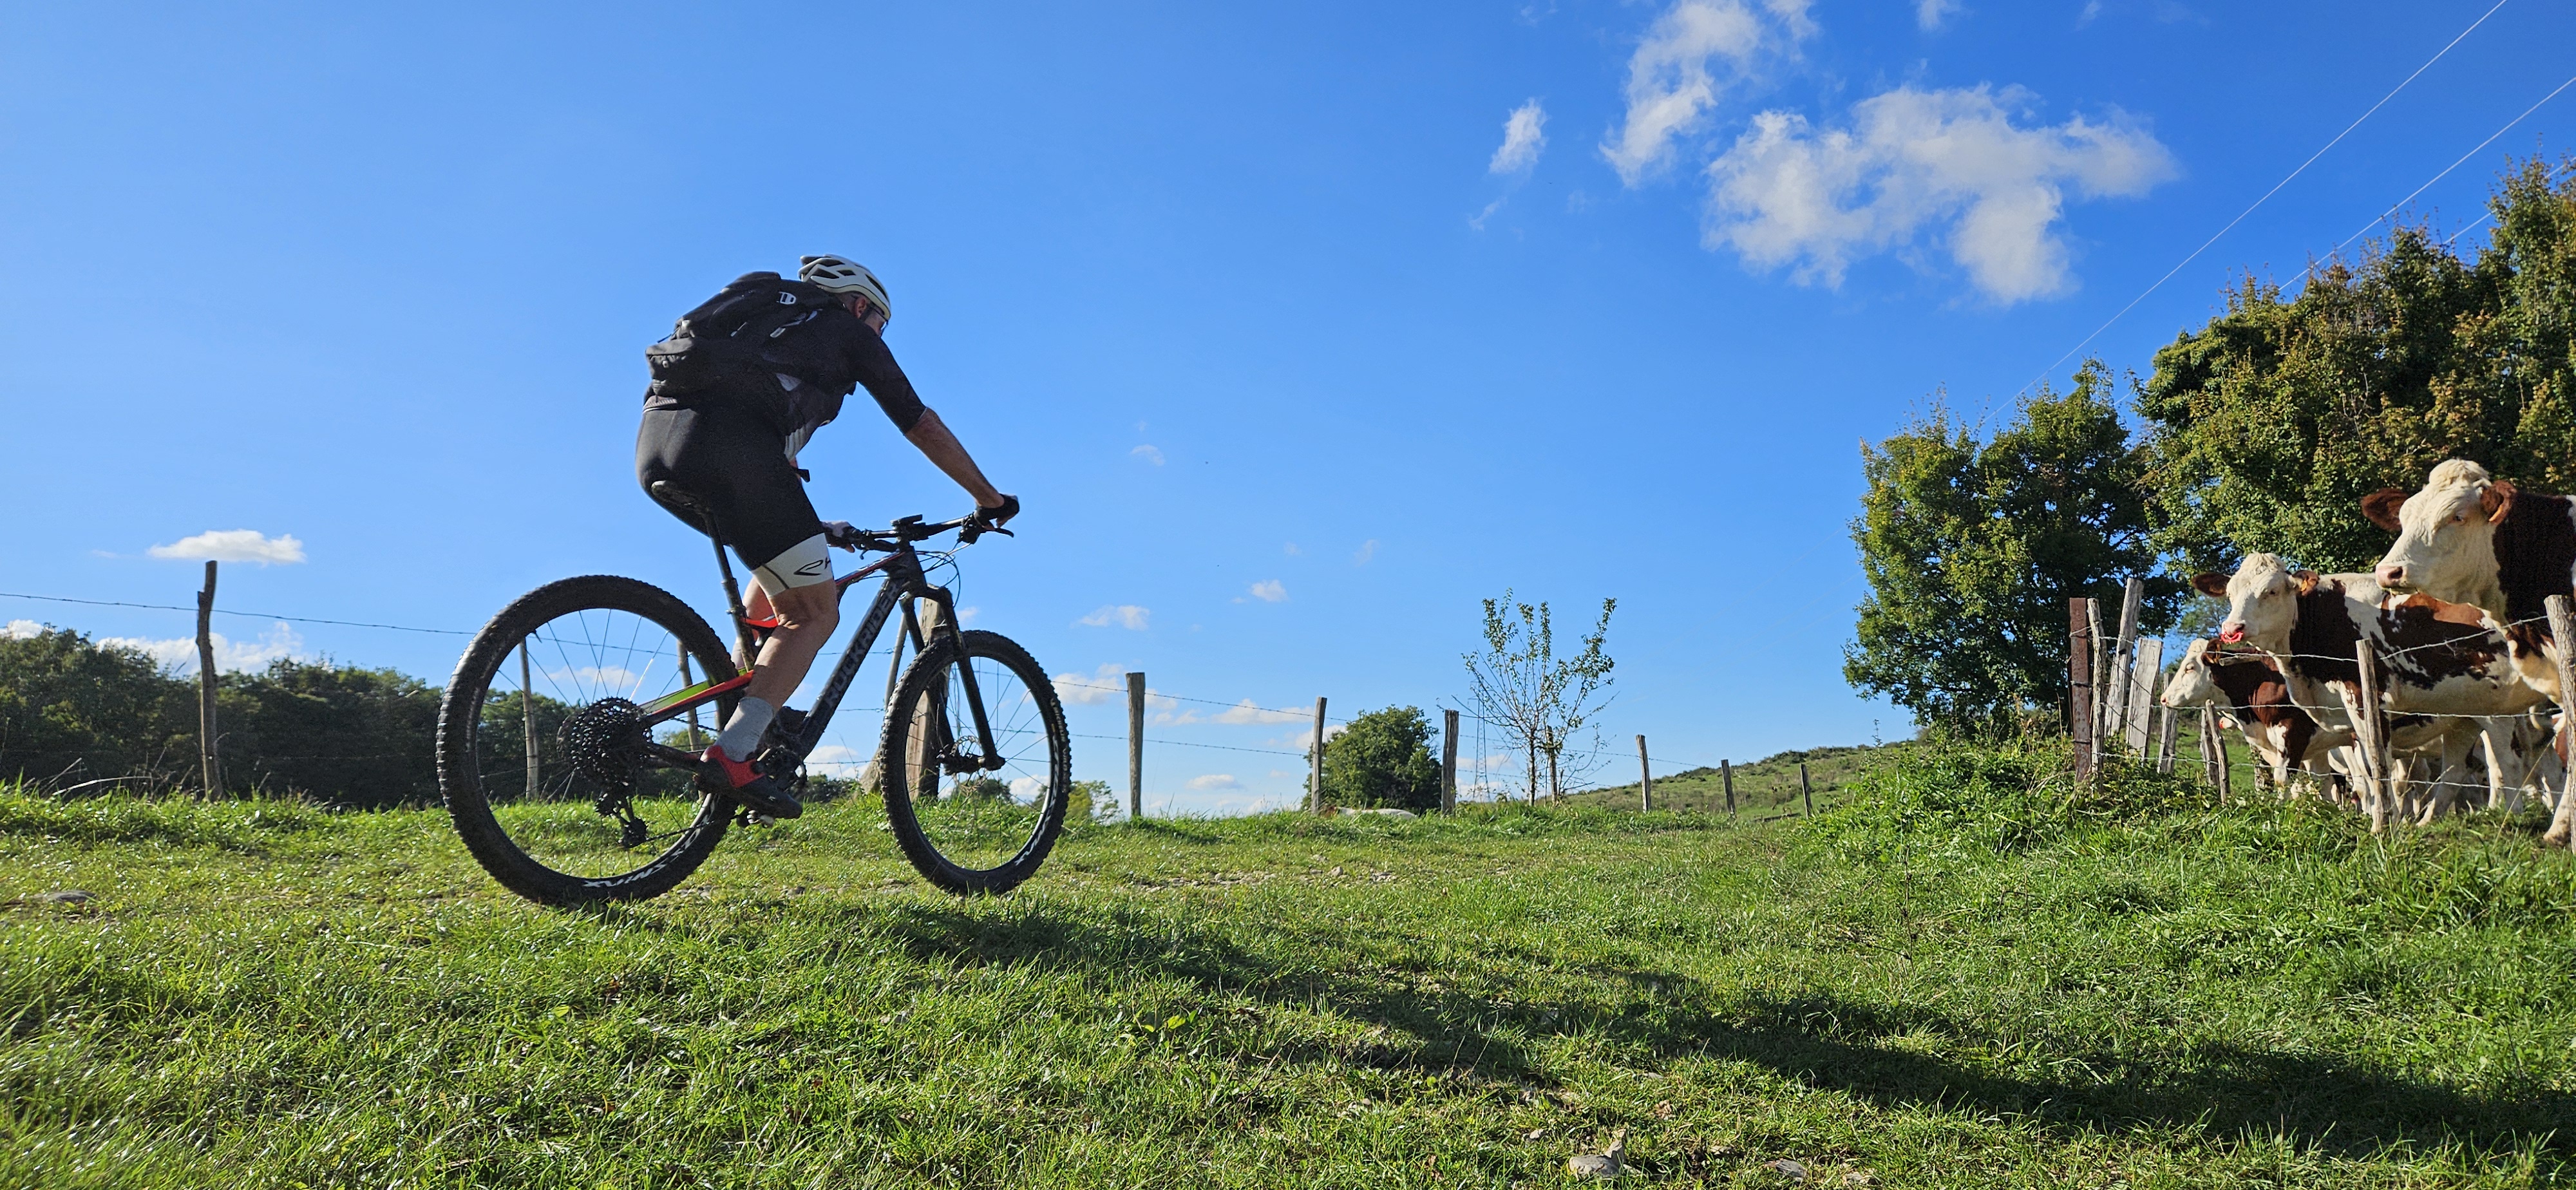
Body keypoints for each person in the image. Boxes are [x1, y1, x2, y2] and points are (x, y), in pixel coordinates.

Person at [635, 254, 1016, 818]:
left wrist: (818, 529)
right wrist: (989, 499)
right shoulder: (842, 327)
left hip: (659, 448)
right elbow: (919, 422)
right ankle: (736, 752)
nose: (878, 335)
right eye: (880, 325)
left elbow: (765, 457)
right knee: (814, 613)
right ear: (861, 305)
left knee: (779, 583)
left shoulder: (760, 328)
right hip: (736, 452)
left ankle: (756, 712)